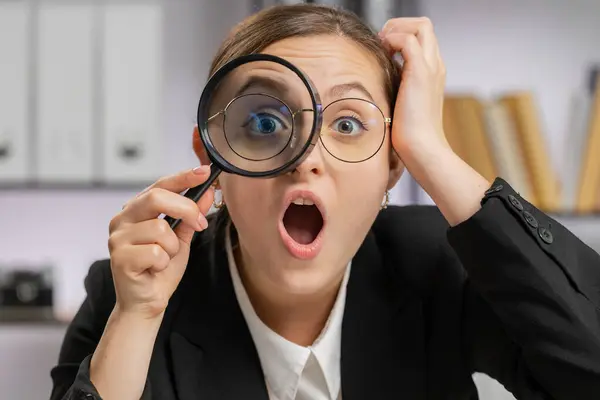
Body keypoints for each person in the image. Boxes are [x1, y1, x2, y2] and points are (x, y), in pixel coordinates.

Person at [50, 4, 600, 400]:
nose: (306, 157)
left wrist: (432, 151)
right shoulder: (127, 292)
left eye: (347, 123)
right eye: (265, 122)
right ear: (214, 152)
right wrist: (137, 316)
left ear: (392, 165)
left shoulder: (434, 265)